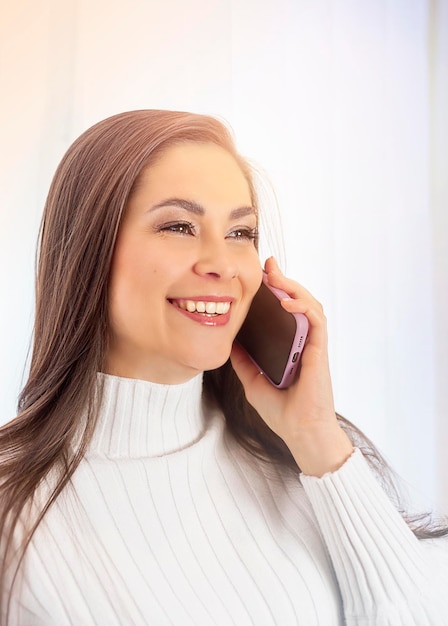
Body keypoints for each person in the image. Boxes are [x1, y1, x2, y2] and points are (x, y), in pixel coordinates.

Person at [1, 109, 447, 626]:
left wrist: (316, 436)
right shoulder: (17, 515)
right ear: (89, 249)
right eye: (178, 226)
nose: (222, 264)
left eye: (241, 233)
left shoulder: (305, 460)